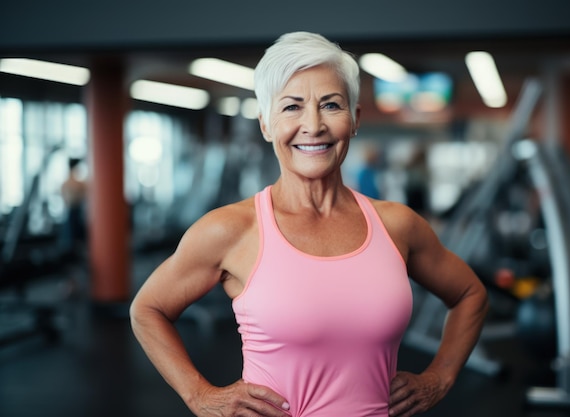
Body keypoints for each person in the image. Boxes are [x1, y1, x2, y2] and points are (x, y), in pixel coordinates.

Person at [130, 31, 488, 417]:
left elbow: (470, 295)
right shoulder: (230, 230)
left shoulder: (397, 225)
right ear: (266, 124)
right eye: (292, 108)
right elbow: (147, 309)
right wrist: (199, 395)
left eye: (331, 105)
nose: (313, 125)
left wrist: (440, 378)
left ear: (354, 120)